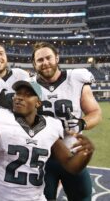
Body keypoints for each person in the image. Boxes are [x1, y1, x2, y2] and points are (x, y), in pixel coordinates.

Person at [31, 42, 102, 200]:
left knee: (82, 196)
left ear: (57, 58)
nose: (45, 62)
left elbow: (95, 112)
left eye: (48, 57)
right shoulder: (29, 86)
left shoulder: (76, 78)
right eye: (40, 60)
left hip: (72, 153)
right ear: (34, 64)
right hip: (43, 157)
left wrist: (81, 123)